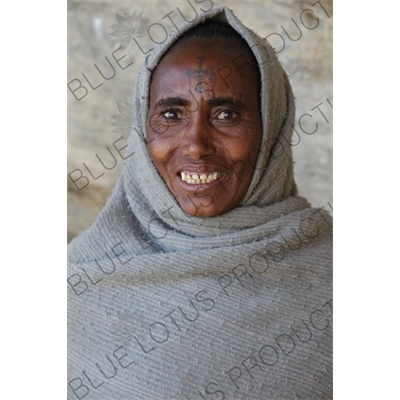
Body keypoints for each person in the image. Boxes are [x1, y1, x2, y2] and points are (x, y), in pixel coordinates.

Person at [68, 6, 332, 399]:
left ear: (272, 126)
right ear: (142, 131)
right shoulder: (78, 280)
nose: (196, 144)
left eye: (226, 114)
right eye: (171, 113)